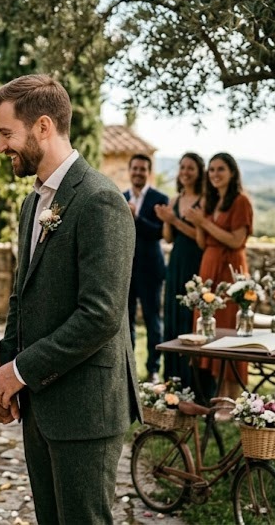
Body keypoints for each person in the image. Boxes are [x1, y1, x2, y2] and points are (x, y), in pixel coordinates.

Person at [0, 74, 140, 525]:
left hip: (86, 406)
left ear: (43, 127)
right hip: (40, 402)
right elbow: (21, 296)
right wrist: (7, 374)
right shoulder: (32, 204)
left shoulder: (99, 201)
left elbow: (101, 316)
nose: (1, 147)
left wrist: (20, 371)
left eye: (6, 134)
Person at [182, 152, 253, 401]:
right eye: (211, 170)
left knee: (229, 330)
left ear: (232, 173)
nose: (214, 174)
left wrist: (204, 221)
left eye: (220, 169)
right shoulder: (211, 202)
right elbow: (203, 242)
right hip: (209, 267)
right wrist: (200, 223)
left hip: (230, 271)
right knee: (209, 329)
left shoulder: (240, 201)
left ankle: (231, 397)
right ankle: (216, 396)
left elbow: (236, 240)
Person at [154, 153, 205, 389]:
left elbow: (199, 237)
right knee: (172, 317)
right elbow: (167, 237)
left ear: (199, 171)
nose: (185, 172)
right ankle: (172, 379)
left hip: (194, 263)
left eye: (191, 168)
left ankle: (191, 381)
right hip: (175, 263)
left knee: (189, 317)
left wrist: (174, 220)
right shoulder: (175, 199)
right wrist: (167, 219)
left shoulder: (204, 200)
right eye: (182, 167)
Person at [124, 154, 170, 383]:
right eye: (135, 168)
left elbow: (160, 232)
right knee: (127, 321)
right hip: (126, 270)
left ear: (149, 172)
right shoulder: (120, 197)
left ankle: (153, 369)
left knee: (153, 321)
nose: (138, 172)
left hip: (151, 269)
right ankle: (128, 367)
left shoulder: (160, 198)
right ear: (129, 170)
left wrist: (136, 218)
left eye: (143, 169)